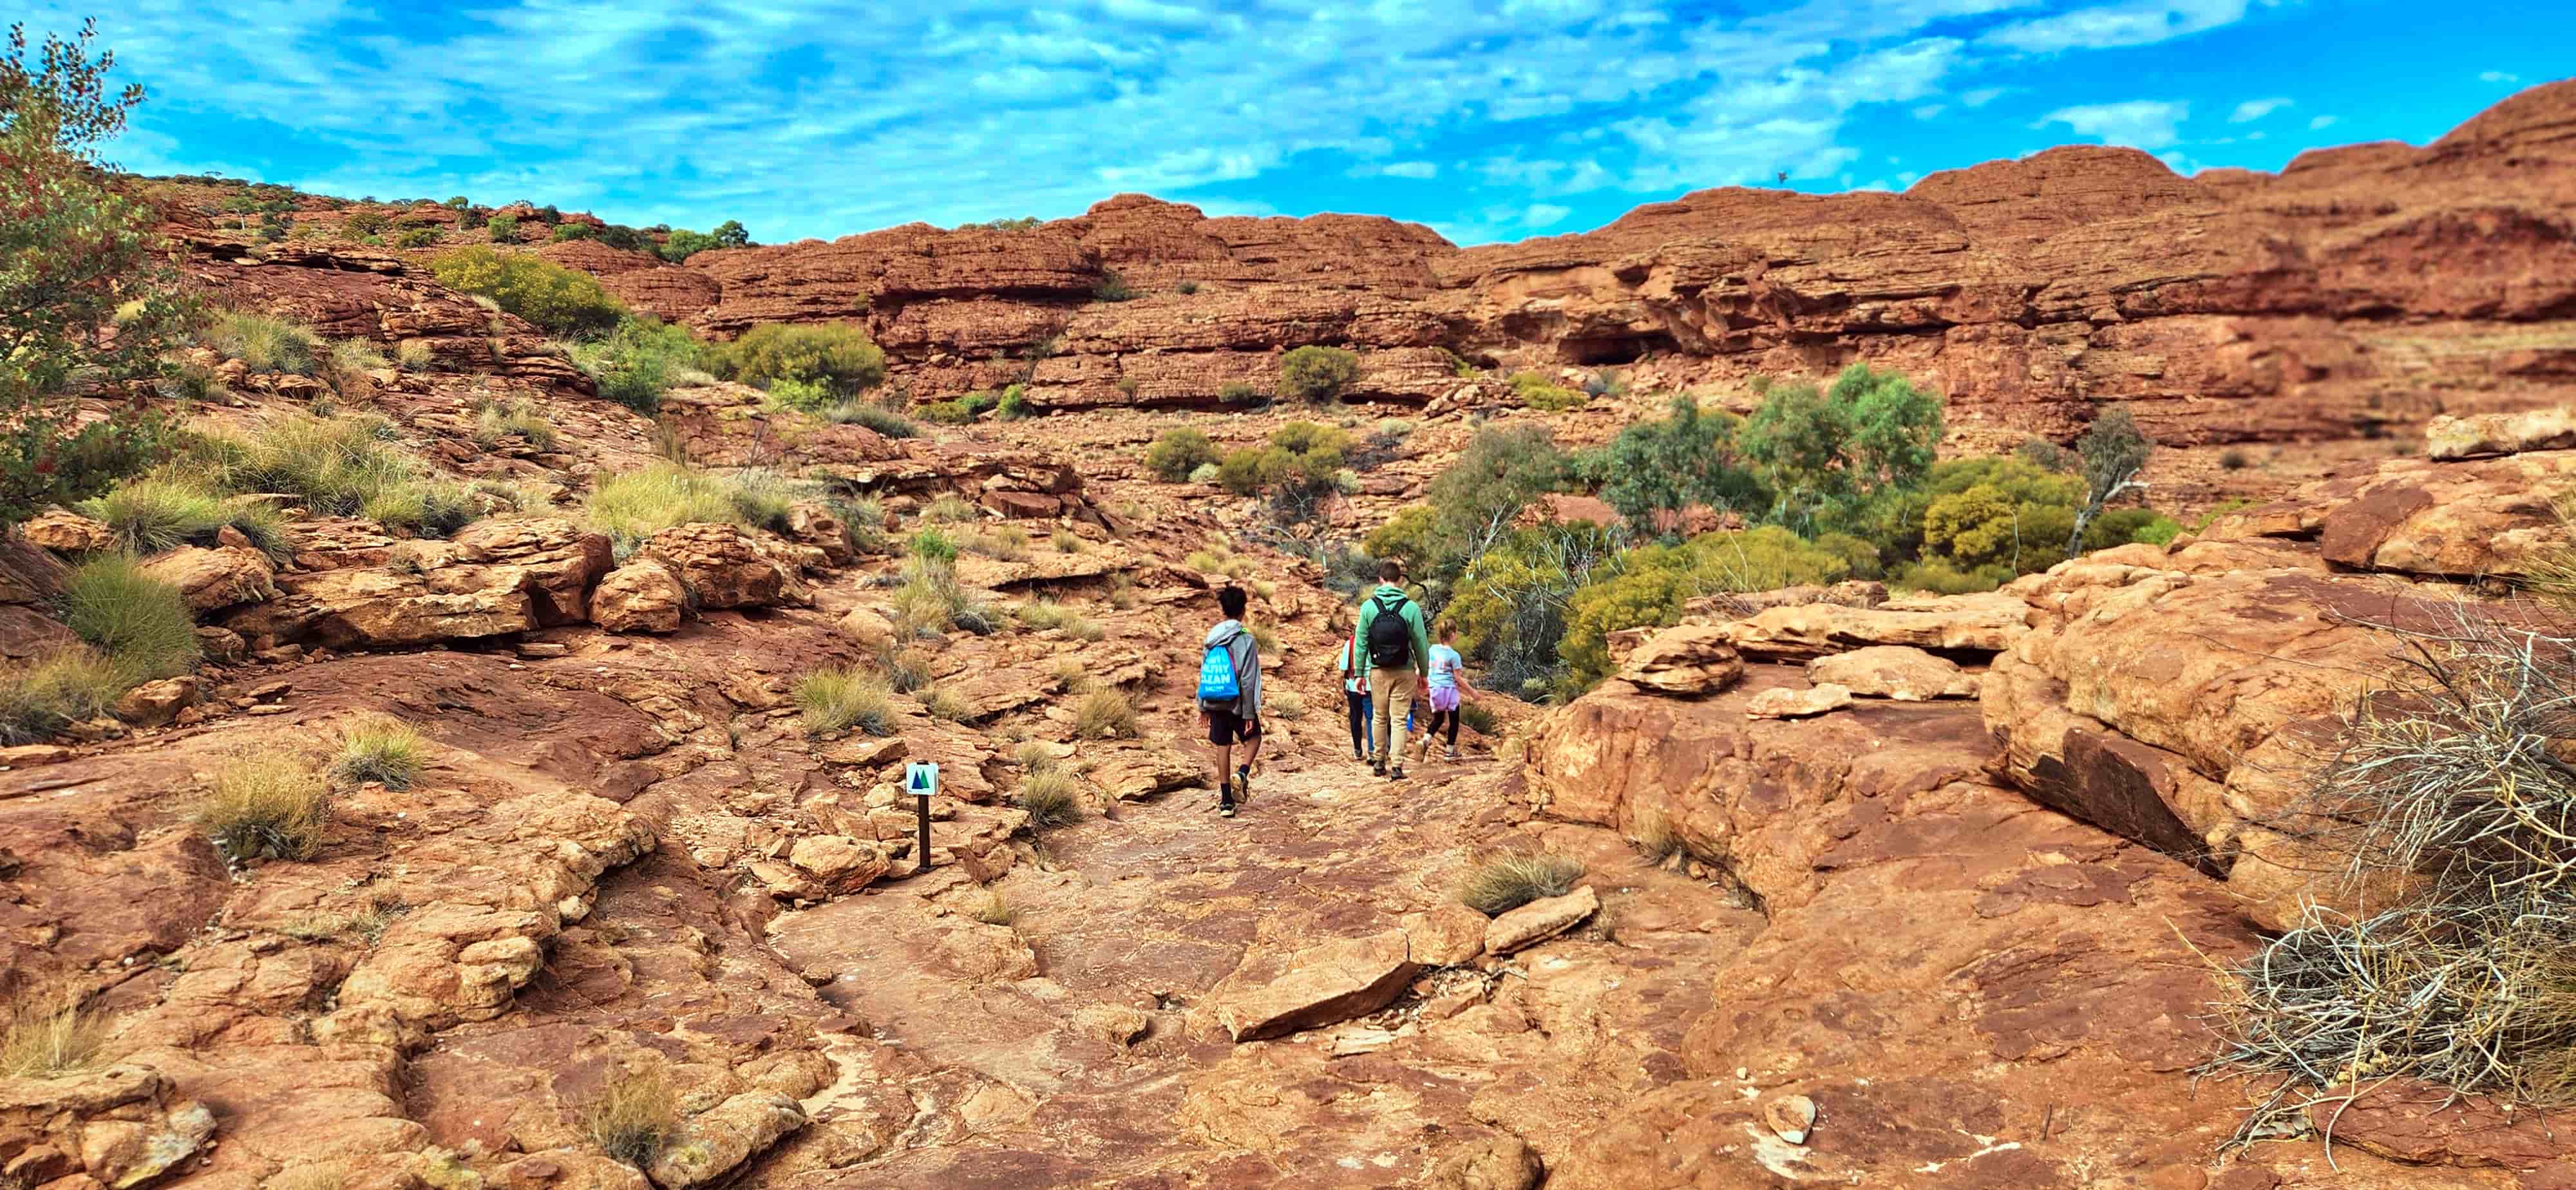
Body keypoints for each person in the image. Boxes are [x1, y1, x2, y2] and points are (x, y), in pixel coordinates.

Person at [1354, 559, 1430, 781]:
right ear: (1400, 581)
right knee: (1398, 719)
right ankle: (1397, 766)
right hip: (1404, 670)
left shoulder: (1369, 607)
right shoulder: (1410, 607)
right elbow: (1420, 643)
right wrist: (1424, 673)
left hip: (1377, 670)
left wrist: (1359, 673)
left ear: (1380, 580)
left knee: (1379, 716)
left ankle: (1379, 761)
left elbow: (1361, 642)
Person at [1197, 585, 1263, 818]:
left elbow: (1204, 672)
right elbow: (1247, 680)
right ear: (1243, 610)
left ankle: (1226, 802)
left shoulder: (1212, 637)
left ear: (1222, 610)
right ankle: (1242, 774)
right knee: (1254, 738)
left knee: (1222, 746)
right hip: (1238, 702)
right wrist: (1248, 714)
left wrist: (1202, 706)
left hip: (1215, 700)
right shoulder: (1246, 639)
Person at [1417, 621, 1479, 763]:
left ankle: (1426, 739)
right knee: (1454, 720)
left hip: (1435, 690)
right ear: (1452, 635)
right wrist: (1472, 692)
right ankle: (1450, 751)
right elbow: (1457, 678)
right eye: (1456, 633)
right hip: (1449, 691)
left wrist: (1419, 681)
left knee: (1438, 719)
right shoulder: (1454, 655)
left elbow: (1423, 667)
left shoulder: (1432, 650)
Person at [1337, 616, 1372, 762]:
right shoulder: (1373, 644)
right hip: (1371, 686)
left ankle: (1358, 750)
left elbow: (1343, 668)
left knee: (1356, 718)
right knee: (1372, 718)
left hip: (1353, 686)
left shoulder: (1349, 644)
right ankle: (1373, 751)